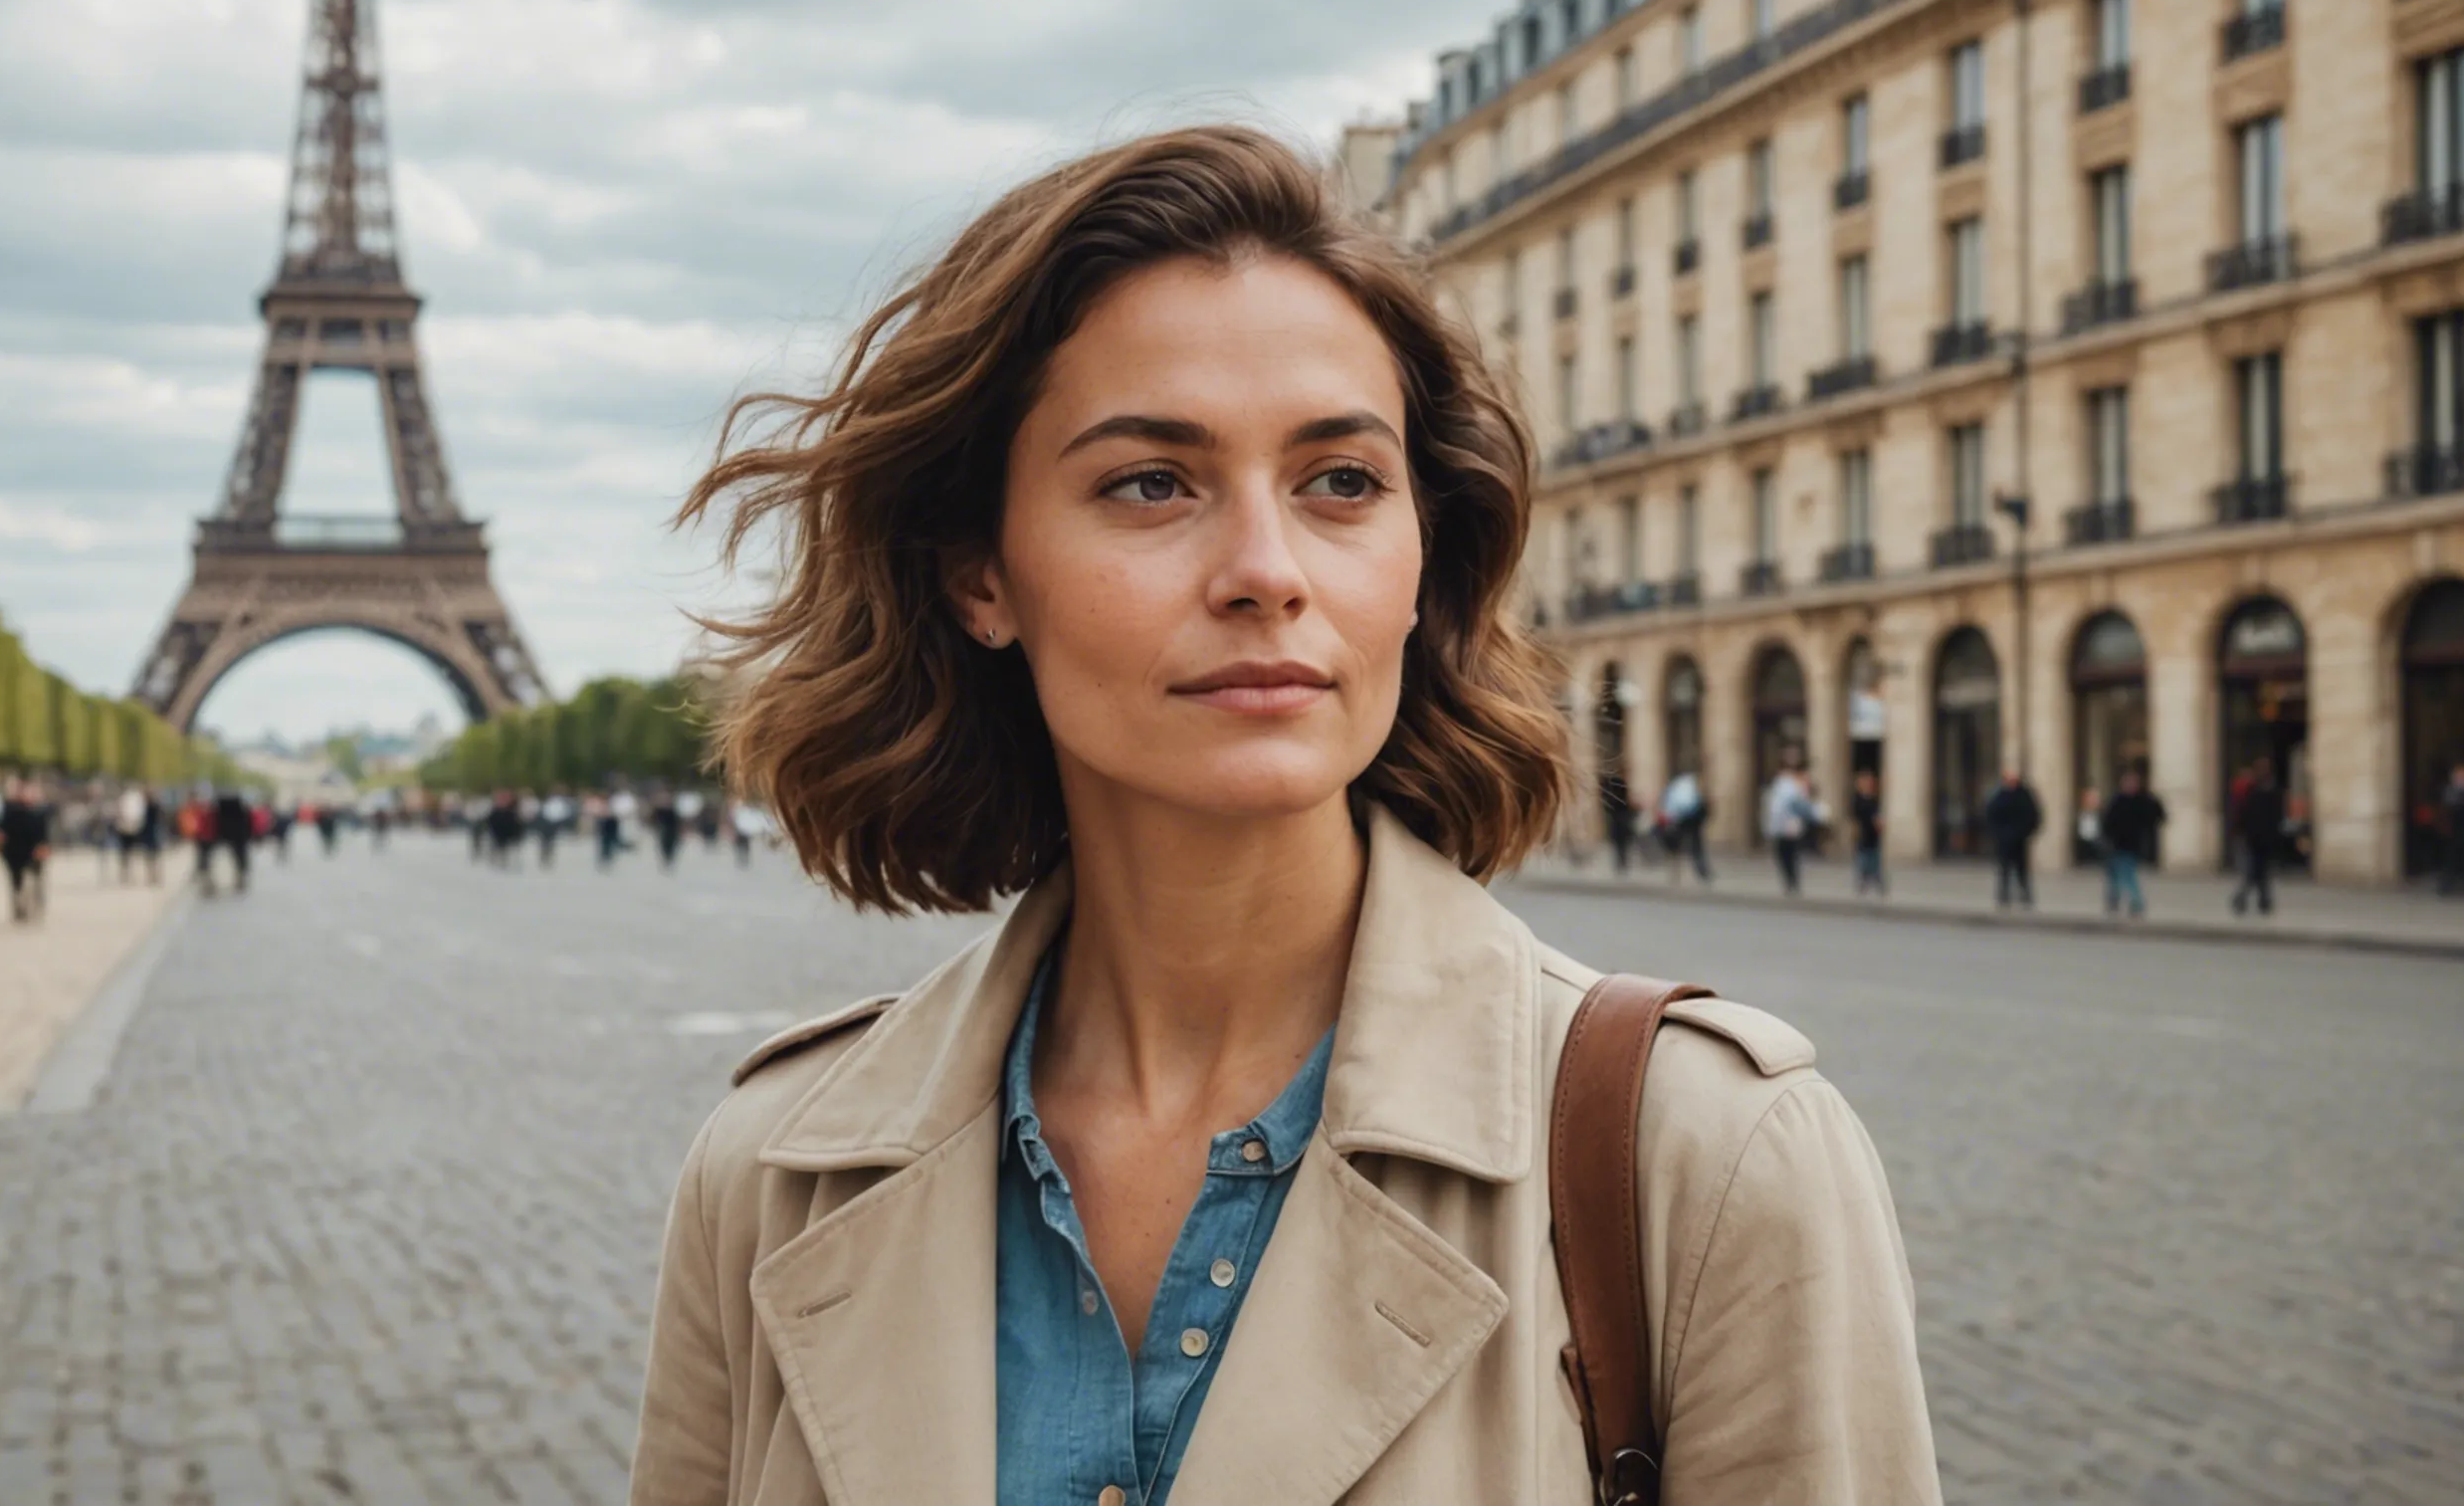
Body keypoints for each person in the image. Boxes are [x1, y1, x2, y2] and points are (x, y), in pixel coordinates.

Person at [627, 127, 1937, 1501]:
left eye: (1341, 482)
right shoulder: (768, 1176)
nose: (1267, 569)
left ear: (1426, 558)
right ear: (979, 572)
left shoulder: (1709, 1157)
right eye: (1152, 481)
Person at [2099, 766, 2164, 918]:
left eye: (2133, 782)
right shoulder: (2118, 800)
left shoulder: (2142, 801)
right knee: (2114, 874)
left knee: (2127, 875)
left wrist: (2148, 830)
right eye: (2128, 782)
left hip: (2131, 844)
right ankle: (2113, 900)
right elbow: (2108, 821)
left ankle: (2137, 902)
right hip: (2116, 843)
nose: (2130, 785)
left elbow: (2158, 814)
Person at [1983, 766, 2042, 908]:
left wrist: (2026, 832)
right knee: (2004, 869)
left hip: (2020, 839)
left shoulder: (2024, 795)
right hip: (2004, 840)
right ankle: (2003, 896)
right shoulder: (1999, 796)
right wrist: (1998, 834)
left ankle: (2025, 895)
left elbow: (2033, 815)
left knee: (2022, 870)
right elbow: (1991, 816)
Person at [2229, 759, 2282, 916]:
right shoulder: (2255, 791)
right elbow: (2246, 814)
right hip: (2255, 839)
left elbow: (2274, 818)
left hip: (2261, 839)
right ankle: (2259, 901)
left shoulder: (2268, 792)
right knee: (2257, 872)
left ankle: (2248, 900)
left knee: (2257, 872)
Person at [0, 780, 54, 924]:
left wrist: (44, 847)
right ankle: (19, 908)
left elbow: (44, 833)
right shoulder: (10, 812)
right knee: (16, 882)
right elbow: (3, 833)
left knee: (36, 880)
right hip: (15, 852)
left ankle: (36, 905)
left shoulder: (39, 812)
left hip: (35, 851)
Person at [1763, 758, 1815, 895]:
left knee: (1787, 855)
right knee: (1787, 855)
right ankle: (1791, 881)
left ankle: (1791, 881)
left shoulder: (1789, 785)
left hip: (1789, 824)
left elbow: (1796, 805)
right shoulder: (1783, 784)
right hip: (1785, 825)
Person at [1659, 765, 1711, 883]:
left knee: (1677, 848)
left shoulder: (1674, 787)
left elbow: (1668, 805)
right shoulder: (1690, 784)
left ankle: (1676, 873)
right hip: (1691, 820)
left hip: (1679, 820)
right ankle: (1701, 870)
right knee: (1695, 845)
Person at [2437, 763, 2464, 897]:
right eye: (2460, 776)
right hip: (2452, 830)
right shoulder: (2450, 791)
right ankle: (2447, 884)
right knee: (2450, 857)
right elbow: (2447, 809)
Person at [1849, 768, 1887, 897]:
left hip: (1873, 835)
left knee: (1874, 860)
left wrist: (1880, 825)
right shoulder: (1858, 799)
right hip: (1863, 834)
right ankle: (1864, 881)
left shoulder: (1873, 798)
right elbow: (1856, 818)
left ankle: (1877, 881)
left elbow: (1877, 816)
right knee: (1863, 860)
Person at [214, 787, 254, 893]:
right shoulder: (242, 811)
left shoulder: (223, 811)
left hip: (227, 836)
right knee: (241, 858)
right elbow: (249, 824)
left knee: (232, 857)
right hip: (241, 837)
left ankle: (238, 878)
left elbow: (217, 824)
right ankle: (240, 878)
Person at [1597, 769, 1635, 873]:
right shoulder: (1620, 784)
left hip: (1616, 815)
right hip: (1621, 815)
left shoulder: (1611, 785)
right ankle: (1622, 861)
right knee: (1622, 842)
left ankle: (1620, 862)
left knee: (1618, 841)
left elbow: (1606, 799)